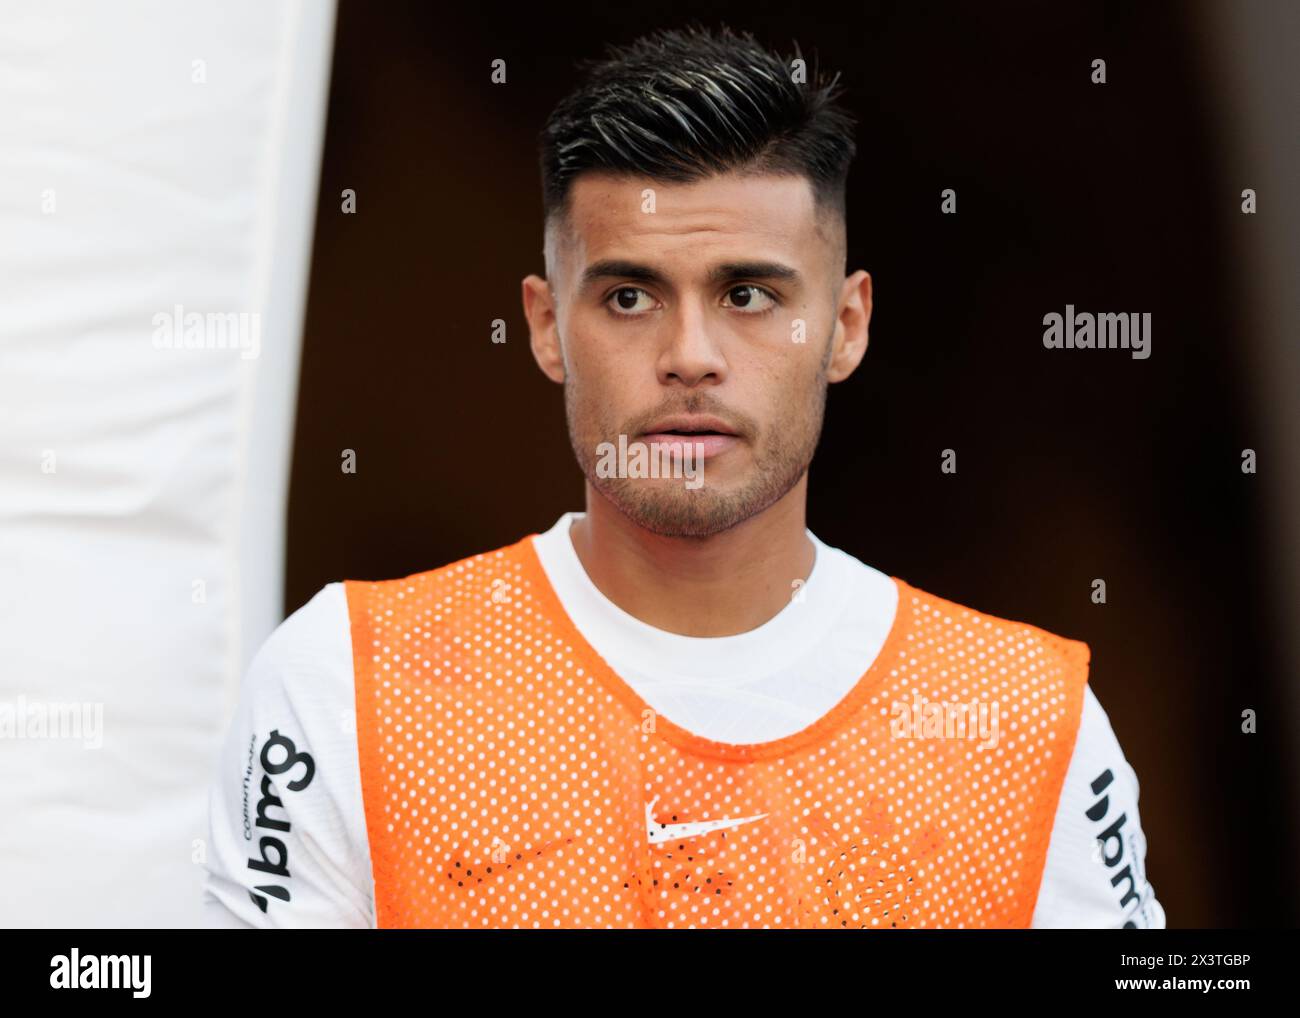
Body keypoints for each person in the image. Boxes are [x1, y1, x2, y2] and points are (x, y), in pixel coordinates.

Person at [201, 24, 1164, 929]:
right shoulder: (348, 686)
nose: (690, 355)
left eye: (749, 295)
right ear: (545, 326)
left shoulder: (1030, 725)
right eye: (629, 296)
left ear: (847, 325)